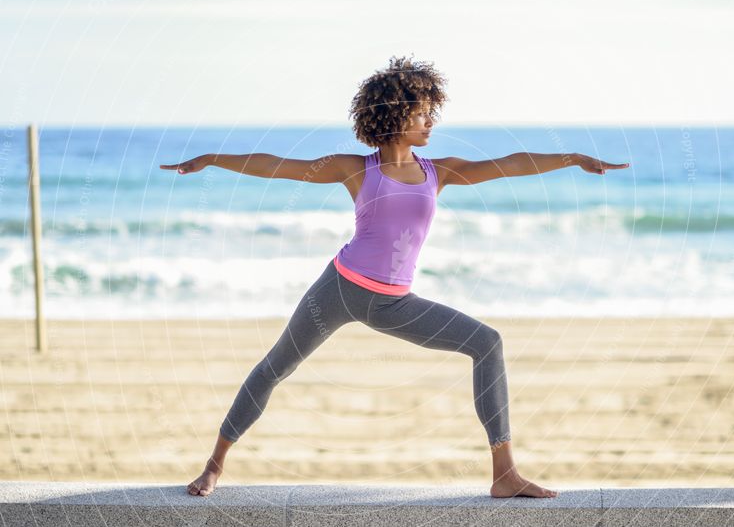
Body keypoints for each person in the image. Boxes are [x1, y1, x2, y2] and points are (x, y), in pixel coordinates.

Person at [160, 55, 629, 498]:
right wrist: (212, 159)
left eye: (431, 113)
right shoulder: (356, 170)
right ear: (396, 115)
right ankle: (215, 466)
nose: (431, 122)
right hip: (338, 290)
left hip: (394, 304)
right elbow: (280, 167)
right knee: (275, 367)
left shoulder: (437, 172)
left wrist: (570, 158)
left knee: (487, 342)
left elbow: (512, 163)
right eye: (423, 113)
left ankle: (504, 474)